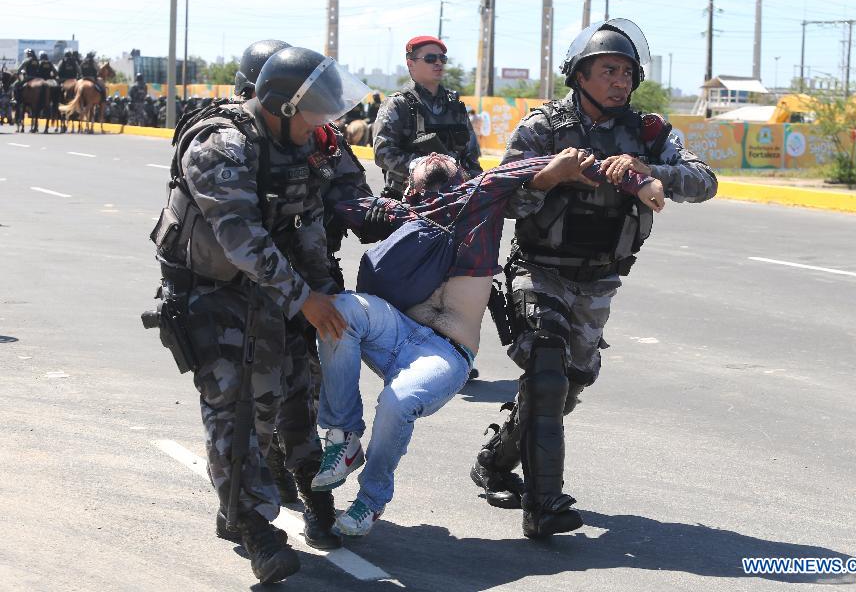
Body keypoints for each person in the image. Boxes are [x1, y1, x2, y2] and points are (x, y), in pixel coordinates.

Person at [307, 148, 656, 538]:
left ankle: (370, 500)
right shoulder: (399, 213)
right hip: (394, 335)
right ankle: (343, 437)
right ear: (409, 188)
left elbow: (553, 162)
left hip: (444, 354)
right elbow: (339, 199)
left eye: (447, 165)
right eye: (426, 166)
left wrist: (640, 180)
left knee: (397, 402)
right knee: (337, 310)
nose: (437, 161)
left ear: (461, 176)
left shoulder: (478, 201)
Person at [469, 18, 718, 539]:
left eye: (627, 72)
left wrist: (650, 173)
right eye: (609, 70)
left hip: (601, 280)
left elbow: (704, 181)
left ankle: (495, 459)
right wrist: (550, 175)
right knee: (545, 367)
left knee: (568, 388)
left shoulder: (648, 133)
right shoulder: (543, 128)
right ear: (580, 75)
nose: (621, 81)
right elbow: (505, 199)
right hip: (541, 271)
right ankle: (544, 506)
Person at [146, 45, 372, 582]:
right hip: (213, 289)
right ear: (284, 108)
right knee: (235, 401)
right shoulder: (220, 145)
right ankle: (251, 524)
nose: (326, 126)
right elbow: (242, 240)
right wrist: (306, 299)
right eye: (317, 114)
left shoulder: (303, 144)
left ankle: (310, 487)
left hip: (278, 286)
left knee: (300, 386)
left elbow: (310, 223)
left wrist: (323, 295)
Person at [372, 35, 482, 201]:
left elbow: (471, 156)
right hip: (409, 200)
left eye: (442, 58)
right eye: (430, 58)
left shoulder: (454, 105)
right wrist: (428, 169)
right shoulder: (397, 104)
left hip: (454, 200)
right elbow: (383, 153)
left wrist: (476, 187)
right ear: (411, 64)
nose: (438, 62)